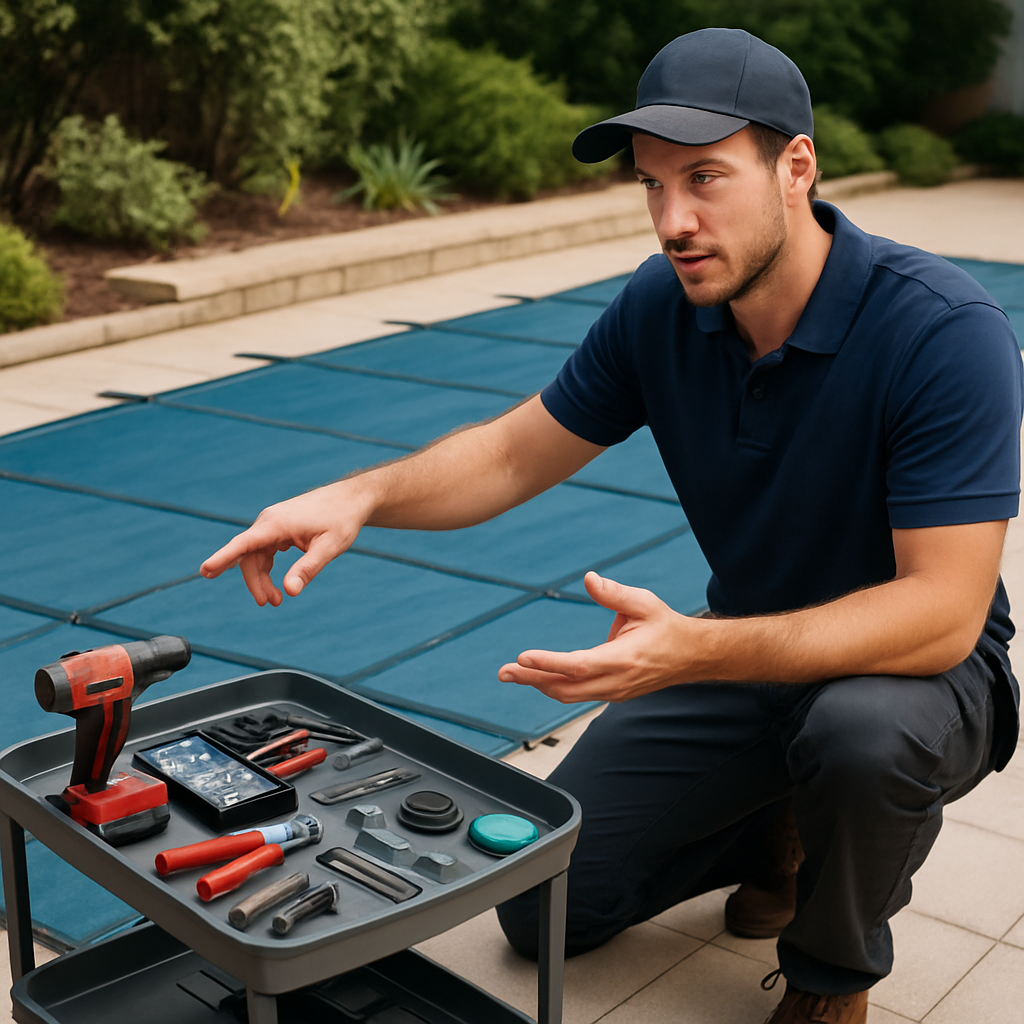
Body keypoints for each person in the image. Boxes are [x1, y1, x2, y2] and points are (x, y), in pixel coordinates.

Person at [200, 27, 1023, 1024]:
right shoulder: (661, 306)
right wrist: (360, 496)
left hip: (916, 674)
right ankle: (783, 824)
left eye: (706, 178)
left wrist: (690, 651)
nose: (673, 219)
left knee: (859, 735)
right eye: (651, 183)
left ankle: (829, 971)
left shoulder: (943, 333)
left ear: (795, 167)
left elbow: (939, 613)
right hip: (742, 658)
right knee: (549, 906)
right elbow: (511, 454)